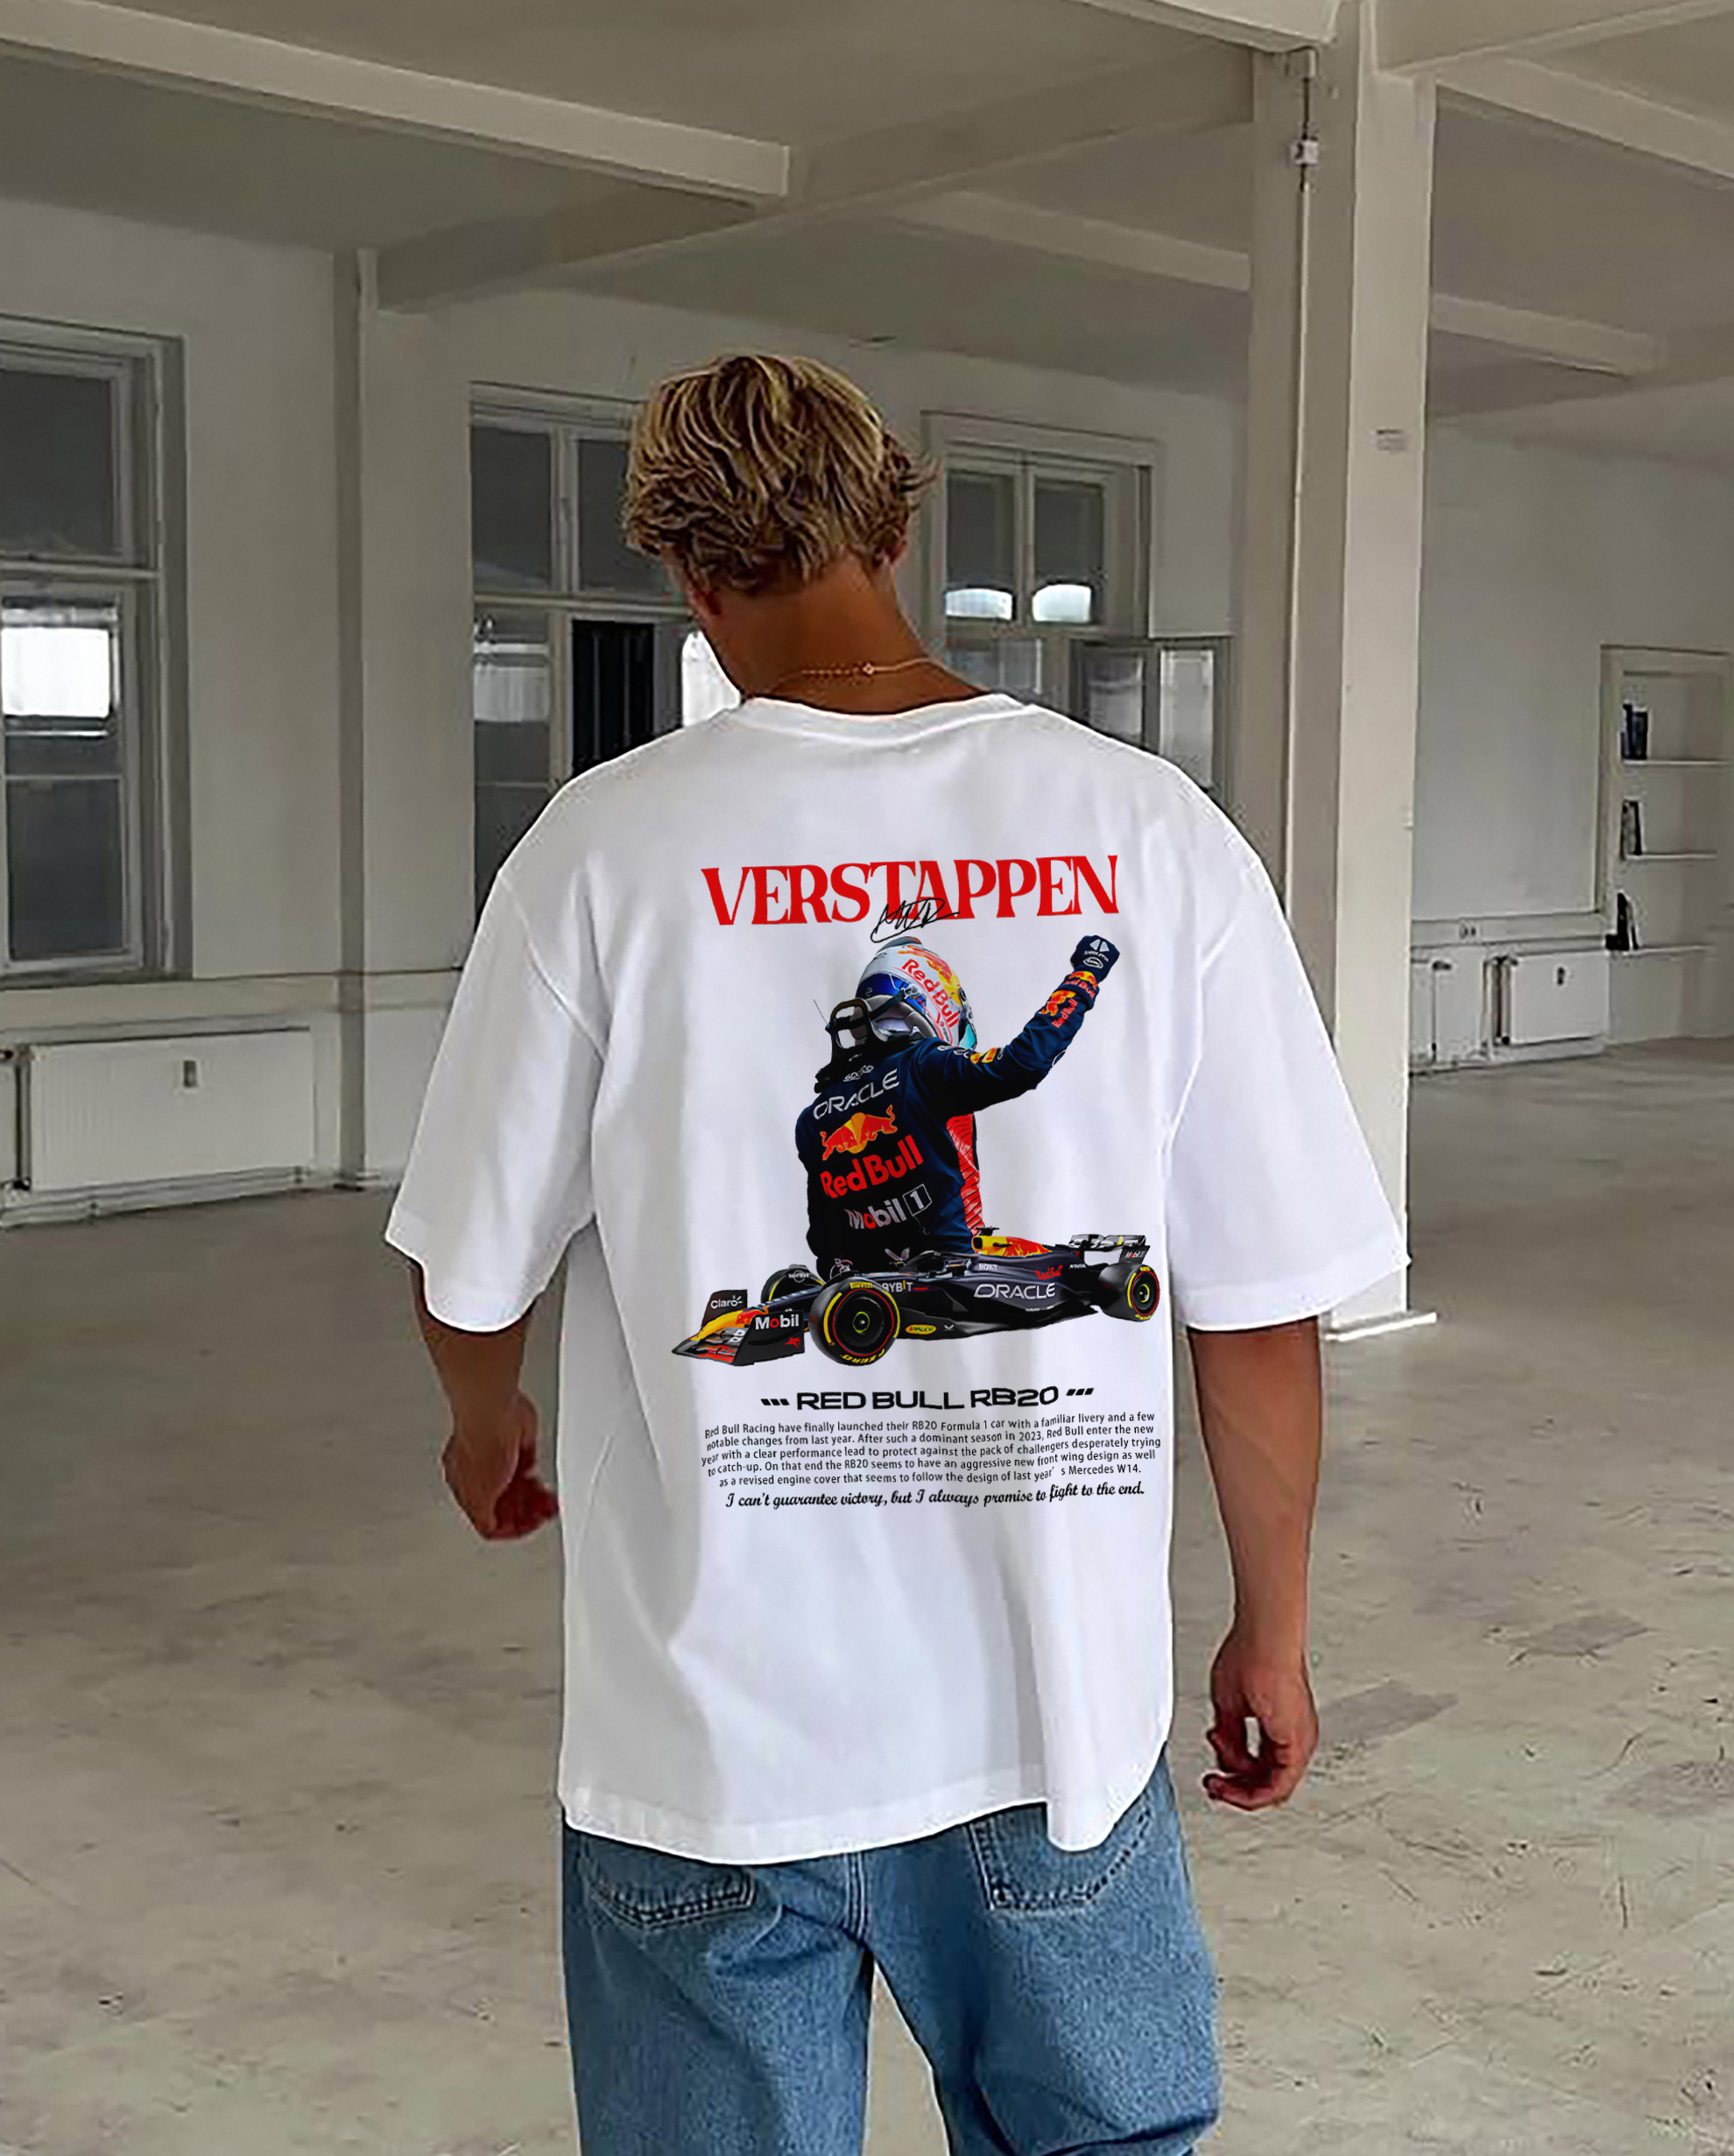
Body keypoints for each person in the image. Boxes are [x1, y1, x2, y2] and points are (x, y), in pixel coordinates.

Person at [391, 353, 1406, 2155]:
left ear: (686, 572)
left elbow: (471, 1280)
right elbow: (1257, 1307)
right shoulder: (1152, 834)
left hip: (709, 1747)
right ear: (898, 527)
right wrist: (1274, 1629)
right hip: (1051, 1728)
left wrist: (490, 1433)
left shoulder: (599, 853)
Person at [800, 931, 1118, 1274]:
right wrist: (1085, 977)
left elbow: (825, 1240)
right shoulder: (924, 1063)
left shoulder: (814, 1114)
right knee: (1082, 1271)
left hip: (866, 1279)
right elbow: (1022, 1064)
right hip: (954, 1268)